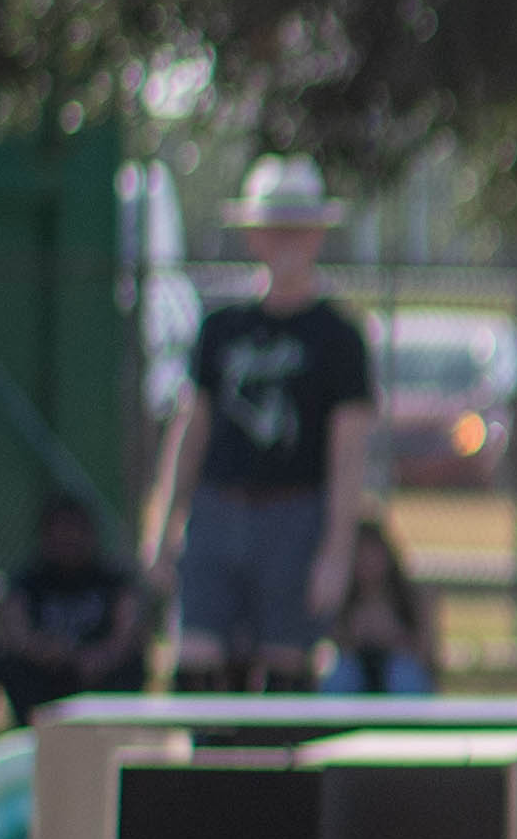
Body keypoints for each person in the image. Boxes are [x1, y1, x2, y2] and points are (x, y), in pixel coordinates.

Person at [149, 158, 376, 686]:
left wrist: (336, 552)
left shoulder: (337, 336)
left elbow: (348, 451)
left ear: (319, 236)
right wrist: (166, 525)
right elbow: (192, 428)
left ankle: (272, 774)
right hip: (218, 508)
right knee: (199, 664)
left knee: (284, 672)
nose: (287, 243)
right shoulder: (222, 328)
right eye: (275, 229)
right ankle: (203, 770)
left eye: (299, 230)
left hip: (293, 514)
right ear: (254, 237)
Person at [0, 492, 148, 714]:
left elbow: (127, 633)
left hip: (101, 674)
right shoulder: (28, 582)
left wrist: (101, 656)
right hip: (48, 677)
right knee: (14, 667)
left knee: (131, 665)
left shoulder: (113, 581)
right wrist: (53, 652)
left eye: (75, 528)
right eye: (61, 529)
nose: (69, 537)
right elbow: (17, 635)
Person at [314, 518, 442, 697]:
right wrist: (353, 635)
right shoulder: (337, 595)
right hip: (355, 669)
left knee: (404, 673)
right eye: (361, 555)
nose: (368, 564)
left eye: (373, 555)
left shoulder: (411, 597)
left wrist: (393, 636)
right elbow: (322, 649)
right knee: (341, 673)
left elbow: (427, 654)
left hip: (396, 670)